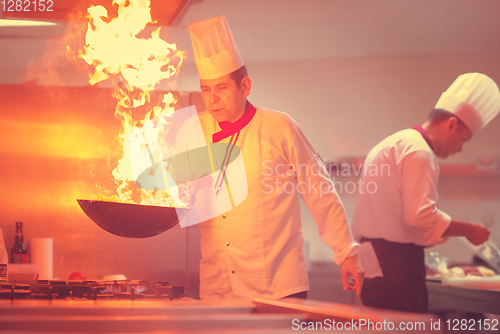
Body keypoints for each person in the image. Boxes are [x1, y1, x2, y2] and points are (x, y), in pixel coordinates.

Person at [179, 15, 364, 300]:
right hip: (217, 287)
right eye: (205, 89)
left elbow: (320, 191)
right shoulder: (194, 130)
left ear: (245, 87)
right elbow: (175, 193)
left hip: (277, 286)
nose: (212, 99)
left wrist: (347, 251)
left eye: (222, 88)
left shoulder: (280, 127)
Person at [351, 72, 500, 313]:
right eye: (464, 139)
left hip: (376, 263)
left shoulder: (395, 143)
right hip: (396, 267)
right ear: (451, 124)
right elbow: (420, 216)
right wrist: (468, 230)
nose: (461, 148)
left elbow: (403, 217)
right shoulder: (419, 152)